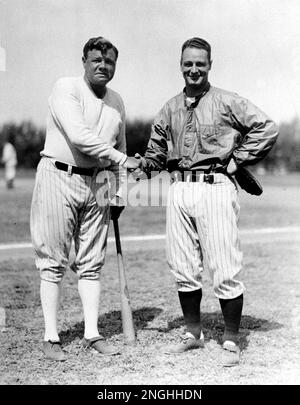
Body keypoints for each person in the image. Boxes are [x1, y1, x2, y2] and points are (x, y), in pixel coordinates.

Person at [135, 37, 278, 366]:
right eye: (188, 63)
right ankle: (193, 333)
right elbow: (155, 155)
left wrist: (237, 159)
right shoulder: (169, 107)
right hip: (180, 189)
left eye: (200, 63)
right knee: (182, 265)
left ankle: (230, 339)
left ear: (210, 65)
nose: (194, 69)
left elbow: (266, 128)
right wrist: (138, 167)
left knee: (225, 266)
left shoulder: (227, 101)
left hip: (215, 186)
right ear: (180, 65)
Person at [30, 36, 139, 361]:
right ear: (84, 62)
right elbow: (79, 137)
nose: (103, 66)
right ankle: (51, 337)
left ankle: (92, 334)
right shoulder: (67, 88)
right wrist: (121, 162)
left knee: (91, 263)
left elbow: (119, 147)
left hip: (97, 183)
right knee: (53, 261)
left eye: (109, 62)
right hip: (58, 176)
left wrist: (119, 192)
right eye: (96, 61)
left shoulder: (117, 100)